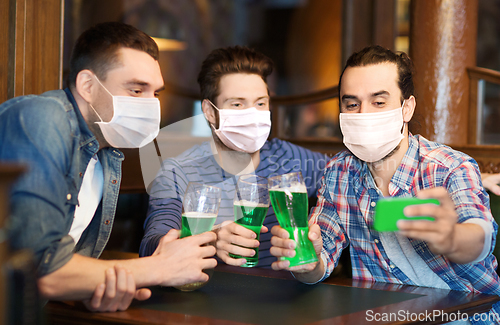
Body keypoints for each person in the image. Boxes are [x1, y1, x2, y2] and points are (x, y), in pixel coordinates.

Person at [270, 45, 500, 323]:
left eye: (378, 102)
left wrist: (451, 238)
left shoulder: (450, 167)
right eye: (352, 104)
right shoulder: (338, 172)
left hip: (467, 318)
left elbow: (479, 236)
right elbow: (321, 256)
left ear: (407, 108)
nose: (363, 114)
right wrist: (306, 263)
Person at [0, 22, 217, 312]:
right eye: (137, 90)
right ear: (88, 86)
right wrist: (159, 267)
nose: (152, 105)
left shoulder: (107, 154)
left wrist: (93, 287)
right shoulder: (41, 117)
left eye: (156, 93)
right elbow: (40, 268)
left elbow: (65, 273)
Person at [140, 46, 329, 268]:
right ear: (210, 112)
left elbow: (347, 177)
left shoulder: (291, 159)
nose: (252, 115)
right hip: (210, 296)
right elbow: (152, 248)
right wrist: (212, 237)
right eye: (238, 104)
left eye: (260, 103)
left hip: (283, 293)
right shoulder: (177, 172)